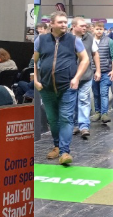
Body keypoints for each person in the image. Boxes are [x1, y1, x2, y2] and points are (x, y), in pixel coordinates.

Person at [31, 11, 89, 166]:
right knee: (52, 120)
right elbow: (35, 62)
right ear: (52, 24)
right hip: (46, 87)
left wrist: (76, 78)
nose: (64, 25)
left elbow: (85, 59)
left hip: (67, 87)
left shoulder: (73, 40)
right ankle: (56, 146)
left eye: (65, 22)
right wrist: (36, 81)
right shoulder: (40, 40)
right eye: (60, 22)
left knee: (66, 118)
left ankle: (64, 152)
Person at [72, 17, 97, 139]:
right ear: (74, 26)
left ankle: (83, 126)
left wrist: (98, 70)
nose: (85, 27)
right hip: (70, 77)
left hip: (86, 76)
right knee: (71, 102)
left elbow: (94, 53)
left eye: (85, 26)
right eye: (82, 26)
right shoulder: (65, 38)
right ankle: (74, 125)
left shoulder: (90, 38)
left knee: (83, 100)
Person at [91, 23, 113, 124]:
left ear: (103, 30)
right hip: (93, 72)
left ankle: (104, 114)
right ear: (93, 29)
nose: (99, 31)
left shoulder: (109, 41)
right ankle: (97, 112)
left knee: (104, 93)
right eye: (97, 29)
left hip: (106, 72)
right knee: (96, 93)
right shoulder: (90, 41)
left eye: (101, 29)